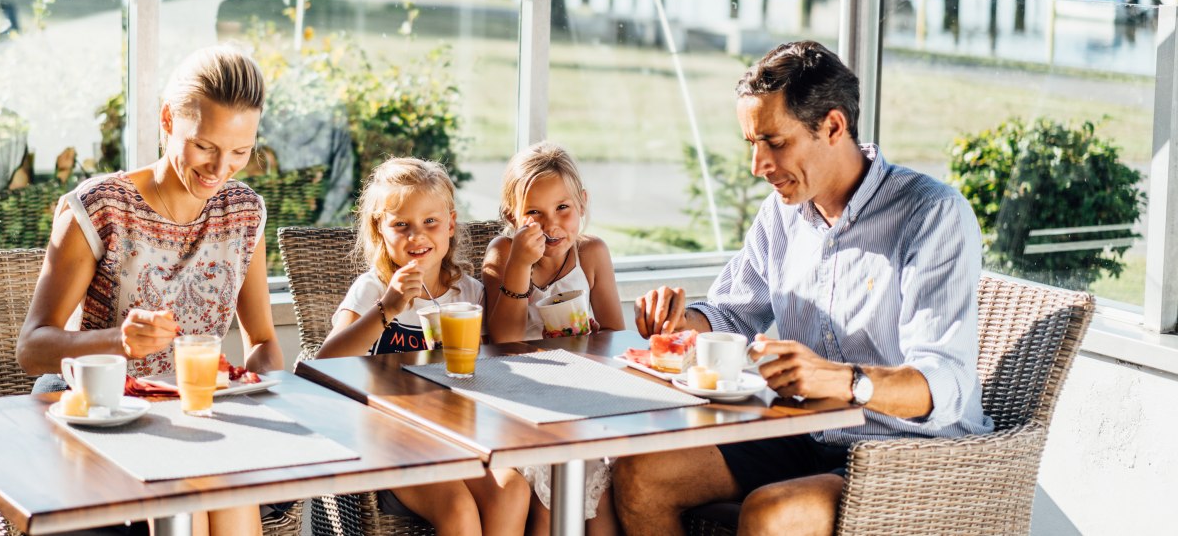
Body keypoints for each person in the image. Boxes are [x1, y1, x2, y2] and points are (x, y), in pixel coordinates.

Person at [613, 41, 993, 536]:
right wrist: (680, 322)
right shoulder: (783, 212)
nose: (759, 165)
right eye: (752, 144)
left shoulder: (932, 214)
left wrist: (841, 380)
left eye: (774, 142)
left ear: (832, 127)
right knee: (641, 474)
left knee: (772, 514)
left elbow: (943, 383)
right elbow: (730, 313)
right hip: (807, 433)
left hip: (911, 453)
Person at [17, 44, 283, 536]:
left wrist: (268, 396)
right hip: (103, 412)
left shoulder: (245, 213)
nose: (220, 169)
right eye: (205, 146)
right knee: (206, 489)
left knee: (226, 489)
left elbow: (263, 342)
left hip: (198, 417)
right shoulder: (100, 208)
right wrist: (118, 340)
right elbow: (33, 349)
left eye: (240, 153)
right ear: (167, 119)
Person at [317, 157, 529, 536]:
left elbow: (499, 363)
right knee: (459, 508)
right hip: (393, 439)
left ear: (450, 223)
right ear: (379, 230)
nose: (418, 237)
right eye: (401, 225)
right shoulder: (373, 290)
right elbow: (324, 363)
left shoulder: (469, 293)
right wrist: (389, 308)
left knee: (511, 489)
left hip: (459, 434)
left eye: (430, 222)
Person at [481, 141, 622, 536]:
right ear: (512, 216)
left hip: (579, 396)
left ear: (582, 202)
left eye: (563, 208)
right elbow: (502, 342)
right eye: (534, 214)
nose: (552, 224)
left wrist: (593, 340)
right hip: (521, 397)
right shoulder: (503, 252)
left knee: (603, 497)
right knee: (549, 501)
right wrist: (520, 266)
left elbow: (615, 334)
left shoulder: (592, 253)